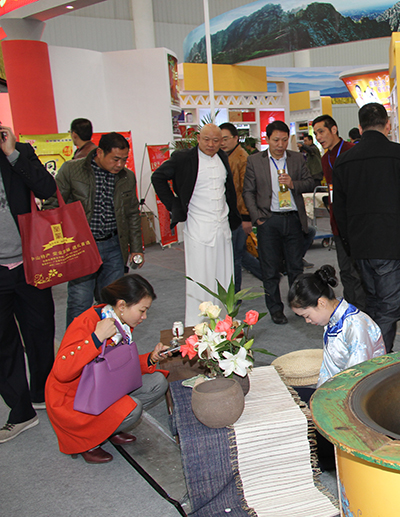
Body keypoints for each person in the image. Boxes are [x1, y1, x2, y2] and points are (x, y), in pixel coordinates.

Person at [332, 103, 400, 352]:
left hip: (360, 245)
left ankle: (372, 353)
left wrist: (349, 243)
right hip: (391, 243)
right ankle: (379, 359)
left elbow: (339, 209)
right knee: (389, 308)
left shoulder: (344, 161)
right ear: (388, 125)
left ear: (360, 128)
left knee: (374, 303)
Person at [45, 274, 169, 463]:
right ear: (122, 305)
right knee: (132, 408)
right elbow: (62, 372)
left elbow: (118, 365)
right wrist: (96, 338)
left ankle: (109, 429)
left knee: (158, 382)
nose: (144, 317)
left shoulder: (120, 322)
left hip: (103, 387)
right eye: (142, 310)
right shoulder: (88, 322)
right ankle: (88, 443)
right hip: (76, 398)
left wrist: (151, 358)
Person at [0, 123, 57, 444]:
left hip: (30, 263)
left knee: (40, 331)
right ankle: (20, 411)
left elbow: (47, 188)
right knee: (3, 342)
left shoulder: (18, 152)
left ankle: (42, 392)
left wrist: (13, 155)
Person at [152, 124, 241, 326]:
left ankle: (224, 321)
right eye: (206, 140)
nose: (211, 144)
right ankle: (198, 324)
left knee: (224, 276)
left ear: (222, 142)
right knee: (200, 278)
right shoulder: (183, 158)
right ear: (199, 138)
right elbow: (157, 177)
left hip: (222, 228)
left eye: (216, 141)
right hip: (198, 227)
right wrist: (174, 205)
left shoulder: (222, 157)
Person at [55, 132, 144, 327]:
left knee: (112, 302)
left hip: (114, 246)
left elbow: (132, 213)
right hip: (82, 247)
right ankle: (78, 343)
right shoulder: (72, 170)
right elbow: (54, 206)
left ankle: (108, 343)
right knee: (80, 301)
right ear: (100, 152)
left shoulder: (127, 177)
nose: (120, 164)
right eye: (115, 159)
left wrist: (136, 248)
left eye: (124, 159)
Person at [243, 120, 314, 325]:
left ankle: (298, 305)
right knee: (270, 269)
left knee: (295, 267)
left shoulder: (297, 158)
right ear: (267, 139)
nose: (280, 145)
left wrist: (293, 184)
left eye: (284, 140)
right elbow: (248, 191)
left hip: (293, 218)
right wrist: (257, 217)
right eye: (276, 140)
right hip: (269, 220)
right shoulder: (255, 161)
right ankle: (275, 309)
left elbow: (310, 182)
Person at [289, 265, 385, 388]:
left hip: (363, 389)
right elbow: (328, 367)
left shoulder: (356, 326)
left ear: (321, 303)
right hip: (340, 385)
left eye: (307, 316)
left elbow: (357, 374)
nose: (307, 321)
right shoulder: (333, 321)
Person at [311, 114, 366, 310]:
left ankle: (366, 310)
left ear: (334, 129)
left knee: (361, 270)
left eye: (321, 131)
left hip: (358, 223)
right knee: (345, 271)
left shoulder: (353, 151)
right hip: (338, 223)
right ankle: (352, 311)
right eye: (316, 134)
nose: (318, 137)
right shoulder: (325, 158)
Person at [220, 122, 262, 291]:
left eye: (225, 139)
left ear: (236, 138)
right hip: (228, 215)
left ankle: (234, 296)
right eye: (220, 139)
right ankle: (269, 275)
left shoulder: (242, 158)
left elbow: (246, 191)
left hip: (238, 216)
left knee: (235, 257)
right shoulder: (225, 156)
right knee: (239, 254)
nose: (222, 142)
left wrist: (246, 218)